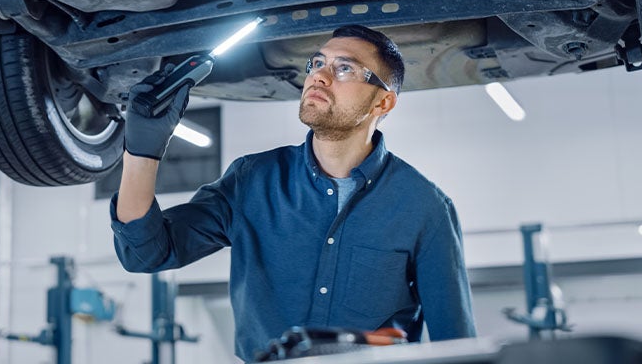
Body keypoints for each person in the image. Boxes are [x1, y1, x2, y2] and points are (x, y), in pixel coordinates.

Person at [111, 24, 476, 361]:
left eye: (344, 68)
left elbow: (456, 344)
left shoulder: (424, 207)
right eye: (317, 62)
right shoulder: (251, 180)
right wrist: (142, 151)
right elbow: (146, 253)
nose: (319, 74)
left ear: (382, 102)